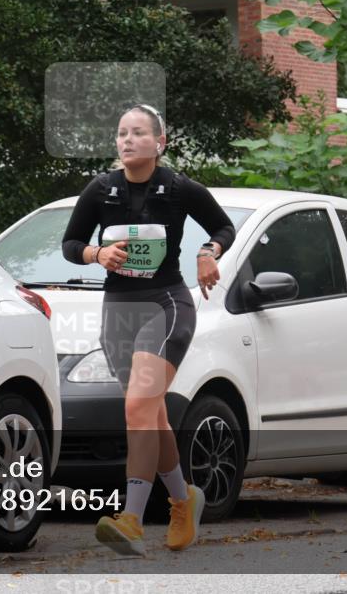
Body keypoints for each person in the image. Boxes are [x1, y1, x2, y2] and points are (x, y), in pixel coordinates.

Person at [61, 104, 235, 556]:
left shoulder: (178, 188)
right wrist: (96, 255)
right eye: (121, 133)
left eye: (138, 133)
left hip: (166, 305)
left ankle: (132, 518)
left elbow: (222, 225)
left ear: (160, 142)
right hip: (119, 311)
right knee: (150, 415)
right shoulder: (100, 190)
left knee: (139, 404)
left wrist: (207, 251)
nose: (127, 140)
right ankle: (183, 500)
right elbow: (70, 244)